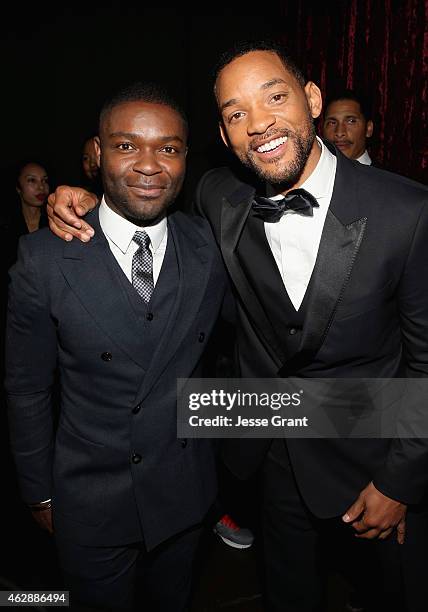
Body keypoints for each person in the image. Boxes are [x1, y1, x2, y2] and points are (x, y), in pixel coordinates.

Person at [46, 40, 428, 612]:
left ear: (312, 98)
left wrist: (402, 481)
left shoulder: (409, 211)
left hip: (373, 461)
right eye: (235, 113)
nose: (259, 124)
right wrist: (82, 201)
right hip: (270, 460)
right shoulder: (218, 195)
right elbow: (143, 203)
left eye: (274, 96)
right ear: (223, 137)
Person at [5, 81, 228, 612]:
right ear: (98, 153)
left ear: (186, 158)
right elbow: (27, 387)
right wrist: (39, 491)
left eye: (168, 149)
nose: (149, 164)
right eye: (128, 145)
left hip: (183, 495)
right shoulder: (43, 260)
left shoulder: (211, 245)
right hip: (90, 500)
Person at [322, 89, 374, 164]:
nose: (339, 133)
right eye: (332, 123)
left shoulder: (387, 175)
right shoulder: (310, 174)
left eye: (351, 121)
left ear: (369, 129)